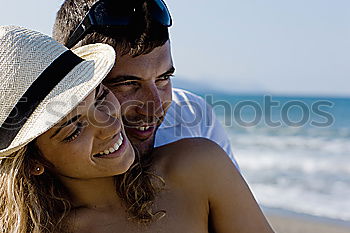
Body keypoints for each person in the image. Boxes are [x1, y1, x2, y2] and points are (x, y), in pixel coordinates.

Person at [0, 26, 274, 233]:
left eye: (100, 96)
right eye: (74, 127)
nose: (109, 125)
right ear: (33, 162)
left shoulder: (197, 168)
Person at [53, 0, 240, 169]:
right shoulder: (44, 149)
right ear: (74, 78)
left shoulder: (194, 116)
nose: (155, 108)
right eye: (128, 84)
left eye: (163, 79)